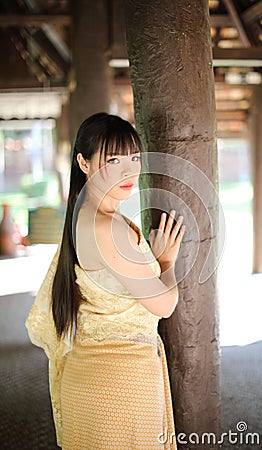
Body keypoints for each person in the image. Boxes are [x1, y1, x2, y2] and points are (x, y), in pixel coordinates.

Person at [25, 112, 185, 449]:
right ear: (83, 163)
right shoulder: (108, 229)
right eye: (113, 160)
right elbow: (164, 305)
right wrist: (166, 262)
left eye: (134, 158)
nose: (128, 171)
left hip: (93, 380)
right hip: (118, 392)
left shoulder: (85, 215)